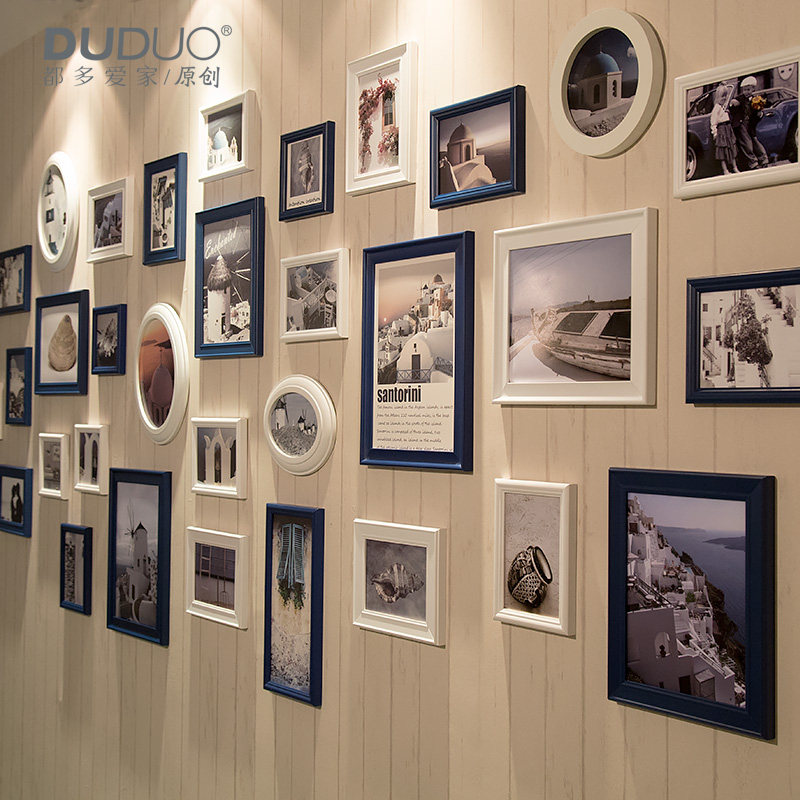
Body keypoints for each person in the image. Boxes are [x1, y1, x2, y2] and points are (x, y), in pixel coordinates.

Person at [729, 75, 769, 170]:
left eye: (748, 89)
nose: (746, 92)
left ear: (753, 89)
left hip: (750, 125)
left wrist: (760, 113)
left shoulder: (756, 100)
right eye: (744, 90)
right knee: (747, 144)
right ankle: (753, 162)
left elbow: (757, 112)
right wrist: (733, 102)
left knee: (755, 141)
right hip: (741, 124)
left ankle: (763, 159)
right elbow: (734, 103)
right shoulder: (740, 98)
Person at [710, 84, 739, 175]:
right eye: (722, 96)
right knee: (722, 151)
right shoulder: (716, 108)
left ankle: (735, 167)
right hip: (722, 130)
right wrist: (715, 133)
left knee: (732, 148)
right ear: (718, 97)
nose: (725, 98)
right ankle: (725, 170)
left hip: (728, 129)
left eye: (726, 96)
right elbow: (713, 121)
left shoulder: (725, 107)